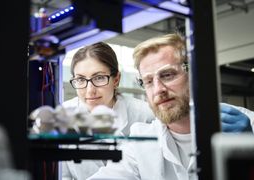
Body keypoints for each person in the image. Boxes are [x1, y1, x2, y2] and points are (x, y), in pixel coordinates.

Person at [61, 41, 254, 180]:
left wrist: (249, 151)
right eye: (148, 81)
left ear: (192, 74)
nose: (158, 89)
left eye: (168, 75)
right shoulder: (140, 141)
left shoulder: (244, 121)